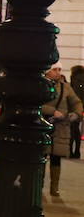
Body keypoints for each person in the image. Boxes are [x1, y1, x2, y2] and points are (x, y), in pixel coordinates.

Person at [44, 64, 81, 199]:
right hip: (44, 125)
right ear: (48, 71)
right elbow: (36, 104)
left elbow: (76, 102)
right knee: (42, 156)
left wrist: (76, 114)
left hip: (61, 127)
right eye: (55, 69)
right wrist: (52, 111)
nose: (58, 72)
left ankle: (55, 187)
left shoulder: (66, 87)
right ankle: (39, 184)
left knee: (56, 157)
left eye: (59, 69)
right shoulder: (41, 85)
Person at [71, 64, 84, 158]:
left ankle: (72, 151)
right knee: (76, 130)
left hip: (74, 106)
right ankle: (77, 151)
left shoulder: (75, 78)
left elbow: (75, 93)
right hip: (81, 106)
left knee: (73, 129)